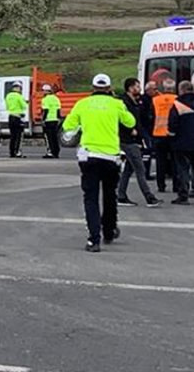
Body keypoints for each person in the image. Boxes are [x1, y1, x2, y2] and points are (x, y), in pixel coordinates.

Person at [62, 73, 138, 253]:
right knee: (110, 195)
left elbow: (67, 126)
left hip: (89, 157)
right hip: (111, 157)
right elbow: (130, 122)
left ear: (93, 88)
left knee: (91, 198)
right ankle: (109, 231)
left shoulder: (82, 104)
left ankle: (93, 240)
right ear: (109, 88)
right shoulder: (116, 104)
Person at [117, 78, 161, 208]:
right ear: (130, 88)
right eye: (137, 86)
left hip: (135, 139)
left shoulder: (135, 101)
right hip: (127, 140)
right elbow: (121, 119)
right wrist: (130, 130)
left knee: (129, 169)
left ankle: (121, 196)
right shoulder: (123, 102)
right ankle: (149, 197)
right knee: (140, 168)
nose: (140, 89)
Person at [167, 80, 194, 205]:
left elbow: (172, 124)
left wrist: (171, 136)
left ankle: (183, 196)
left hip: (182, 143)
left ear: (181, 90)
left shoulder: (177, 104)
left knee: (183, 170)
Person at [150, 78, 178, 193]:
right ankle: (176, 185)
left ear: (164, 88)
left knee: (160, 162)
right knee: (175, 161)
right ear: (173, 88)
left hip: (158, 134)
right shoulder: (177, 100)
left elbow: (151, 117)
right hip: (173, 135)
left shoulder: (155, 100)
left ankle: (161, 185)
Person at [5, 82, 28, 158]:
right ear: (18, 88)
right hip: (18, 117)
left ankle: (11, 153)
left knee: (12, 136)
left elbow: (7, 107)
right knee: (19, 136)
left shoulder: (8, 96)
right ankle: (17, 152)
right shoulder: (19, 96)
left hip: (11, 117)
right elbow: (24, 106)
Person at [40, 84, 62, 159]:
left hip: (48, 120)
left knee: (48, 138)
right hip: (55, 120)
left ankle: (50, 152)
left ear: (46, 91)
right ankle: (56, 152)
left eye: (43, 90)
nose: (42, 92)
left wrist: (43, 120)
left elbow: (45, 110)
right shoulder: (56, 98)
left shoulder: (45, 99)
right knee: (54, 137)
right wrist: (59, 118)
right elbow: (58, 109)